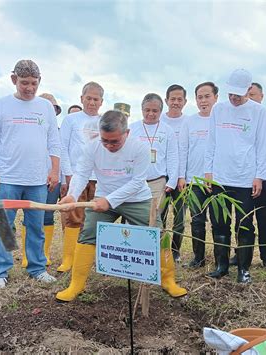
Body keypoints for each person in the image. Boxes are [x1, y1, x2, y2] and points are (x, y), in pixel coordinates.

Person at [56, 110, 186, 302]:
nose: (109, 145)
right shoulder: (92, 147)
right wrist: (71, 196)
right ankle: (76, 284)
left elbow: (137, 182)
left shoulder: (140, 148)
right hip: (103, 198)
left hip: (137, 199)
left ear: (127, 133)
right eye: (104, 140)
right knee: (88, 234)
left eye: (114, 141)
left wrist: (109, 201)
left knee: (158, 233)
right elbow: (82, 173)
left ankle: (168, 280)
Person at [0, 59, 61, 288]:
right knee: (4, 226)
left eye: (34, 83)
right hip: (7, 177)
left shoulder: (45, 107)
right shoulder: (1, 105)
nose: (29, 88)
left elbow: (54, 141)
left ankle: (37, 267)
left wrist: (55, 170)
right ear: (13, 80)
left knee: (36, 226)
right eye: (24, 82)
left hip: (37, 179)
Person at [204, 69, 266, 283]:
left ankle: (244, 269)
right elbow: (211, 142)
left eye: (238, 94)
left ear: (249, 90)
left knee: (245, 224)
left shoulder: (258, 112)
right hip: (220, 177)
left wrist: (259, 176)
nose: (233, 97)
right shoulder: (218, 109)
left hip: (245, 178)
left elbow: (262, 146)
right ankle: (221, 265)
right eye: (231, 93)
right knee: (219, 222)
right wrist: (208, 172)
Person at [58, 82, 104, 272]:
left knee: (95, 219)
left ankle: (90, 257)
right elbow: (63, 148)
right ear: (81, 98)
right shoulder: (71, 120)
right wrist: (68, 174)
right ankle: (69, 257)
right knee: (73, 216)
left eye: (96, 99)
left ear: (101, 101)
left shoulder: (104, 121)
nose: (92, 102)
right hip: (77, 175)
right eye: (89, 98)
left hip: (99, 178)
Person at [178, 82, 218, 268]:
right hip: (194, 180)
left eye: (207, 96)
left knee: (219, 221)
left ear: (216, 97)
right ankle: (198, 258)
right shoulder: (189, 121)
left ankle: (220, 260)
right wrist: (182, 176)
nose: (203, 101)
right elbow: (183, 149)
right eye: (200, 97)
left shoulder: (221, 119)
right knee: (197, 220)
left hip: (218, 179)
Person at [20, 93, 63, 267]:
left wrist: (62, 177)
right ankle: (25, 255)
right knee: (29, 215)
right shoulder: (27, 127)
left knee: (47, 215)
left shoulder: (58, 132)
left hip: (53, 177)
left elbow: (63, 155)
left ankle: (43, 254)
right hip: (31, 177)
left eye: (53, 108)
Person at [129, 93, 178, 222]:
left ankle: (155, 242)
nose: (150, 114)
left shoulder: (168, 131)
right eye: (147, 110)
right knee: (134, 218)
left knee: (154, 218)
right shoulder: (132, 129)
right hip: (135, 181)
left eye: (155, 111)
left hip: (157, 182)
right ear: (142, 110)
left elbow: (172, 156)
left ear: (161, 111)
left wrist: (172, 180)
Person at [244, 82, 266, 267]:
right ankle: (242, 255)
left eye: (253, 95)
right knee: (244, 218)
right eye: (246, 95)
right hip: (244, 177)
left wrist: (257, 159)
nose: (249, 99)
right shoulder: (240, 117)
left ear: (262, 96)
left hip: (265, 174)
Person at [160, 84, 188, 262]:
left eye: (180, 99)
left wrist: (181, 176)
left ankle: (175, 252)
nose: (176, 102)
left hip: (181, 178)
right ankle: (161, 250)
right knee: (159, 215)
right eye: (173, 99)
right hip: (161, 176)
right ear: (166, 100)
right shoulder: (159, 120)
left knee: (179, 217)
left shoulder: (189, 122)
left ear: (185, 102)